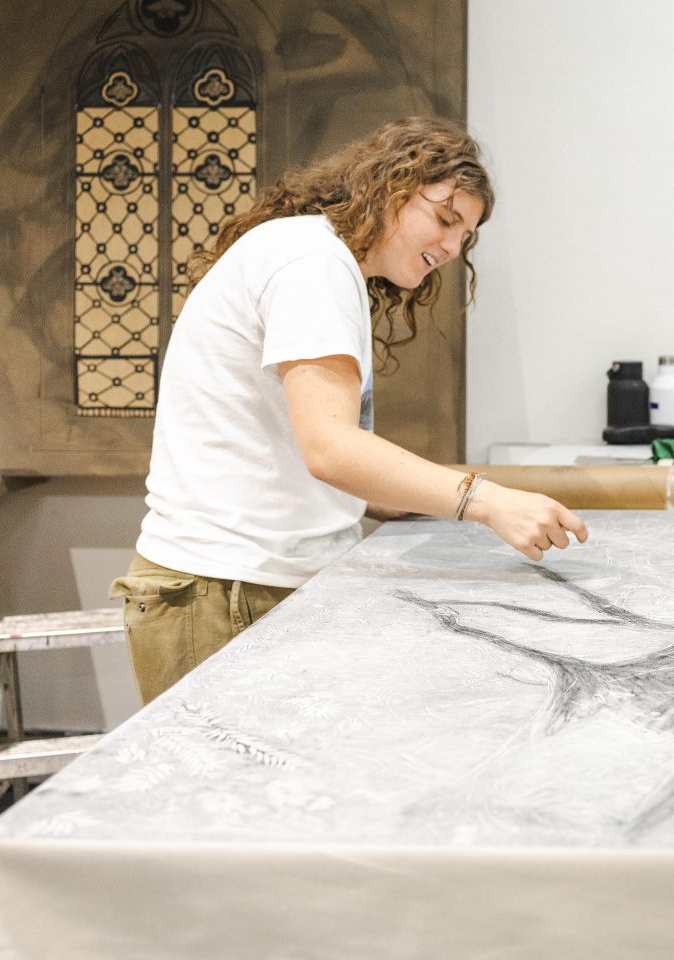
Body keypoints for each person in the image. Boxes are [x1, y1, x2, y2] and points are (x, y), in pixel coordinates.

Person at [112, 117, 587, 704]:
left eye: (466, 235)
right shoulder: (312, 264)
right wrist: (486, 502)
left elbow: (309, 455)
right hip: (223, 593)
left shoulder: (318, 260)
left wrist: (421, 495)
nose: (451, 247)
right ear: (388, 190)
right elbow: (331, 449)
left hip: (245, 584)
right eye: (444, 219)